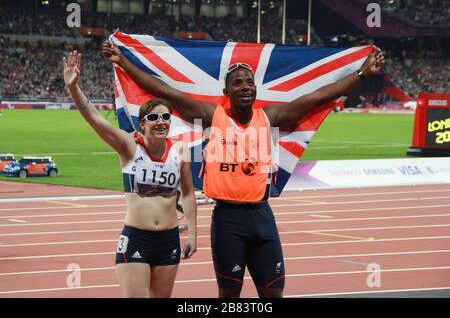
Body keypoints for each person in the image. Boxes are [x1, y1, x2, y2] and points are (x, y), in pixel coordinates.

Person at [102, 41, 385, 298]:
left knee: (274, 294)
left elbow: (319, 96)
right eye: (237, 83)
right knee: (229, 299)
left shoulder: (271, 117)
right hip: (228, 220)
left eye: (249, 82)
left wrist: (361, 74)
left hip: (262, 217)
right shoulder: (212, 117)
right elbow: (165, 91)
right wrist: (123, 62)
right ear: (226, 92)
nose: (246, 86)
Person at [63, 50, 197, 298]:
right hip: (136, 238)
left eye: (165, 117)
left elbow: (188, 194)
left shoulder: (180, 151)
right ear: (143, 123)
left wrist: (193, 235)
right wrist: (73, 88)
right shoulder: (129, 147)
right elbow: (94, 118)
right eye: (153, 117)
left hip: (169, 239)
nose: (161, 121)